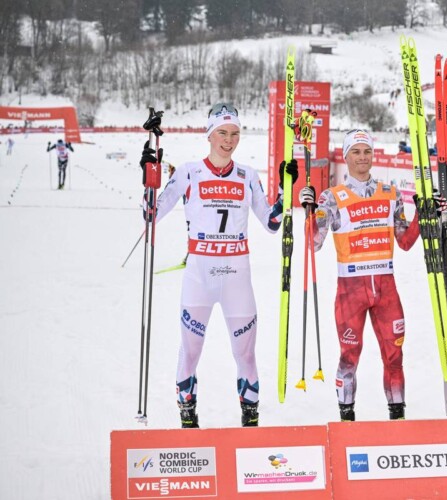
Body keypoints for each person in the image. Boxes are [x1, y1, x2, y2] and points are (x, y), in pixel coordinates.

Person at [141, 102, 298, 428]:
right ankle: (188, 417)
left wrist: (285, 189)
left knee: (246, 355)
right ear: (209, 135)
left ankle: (250, 419)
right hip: (200, 275)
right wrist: (149, 179)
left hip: (236, 277)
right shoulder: (188, 172)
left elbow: (271, 223)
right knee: (191, 350)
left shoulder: (247, 175)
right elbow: (150, 214)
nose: (229, 140)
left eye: (235, 134)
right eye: (222, 133)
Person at [298, 129, 420, 422]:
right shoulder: (332, 198)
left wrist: (423, 215)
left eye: (367, 151)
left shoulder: (391, 194)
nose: (362, 157)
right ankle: (347, 419)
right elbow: (313, 243)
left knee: (394, 356)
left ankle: (397, 415)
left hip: (386, 289)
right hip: (350, 291)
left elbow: (404, 241)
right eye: (356, 152)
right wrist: (309, 212)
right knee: (349, 355)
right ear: (346, 156)